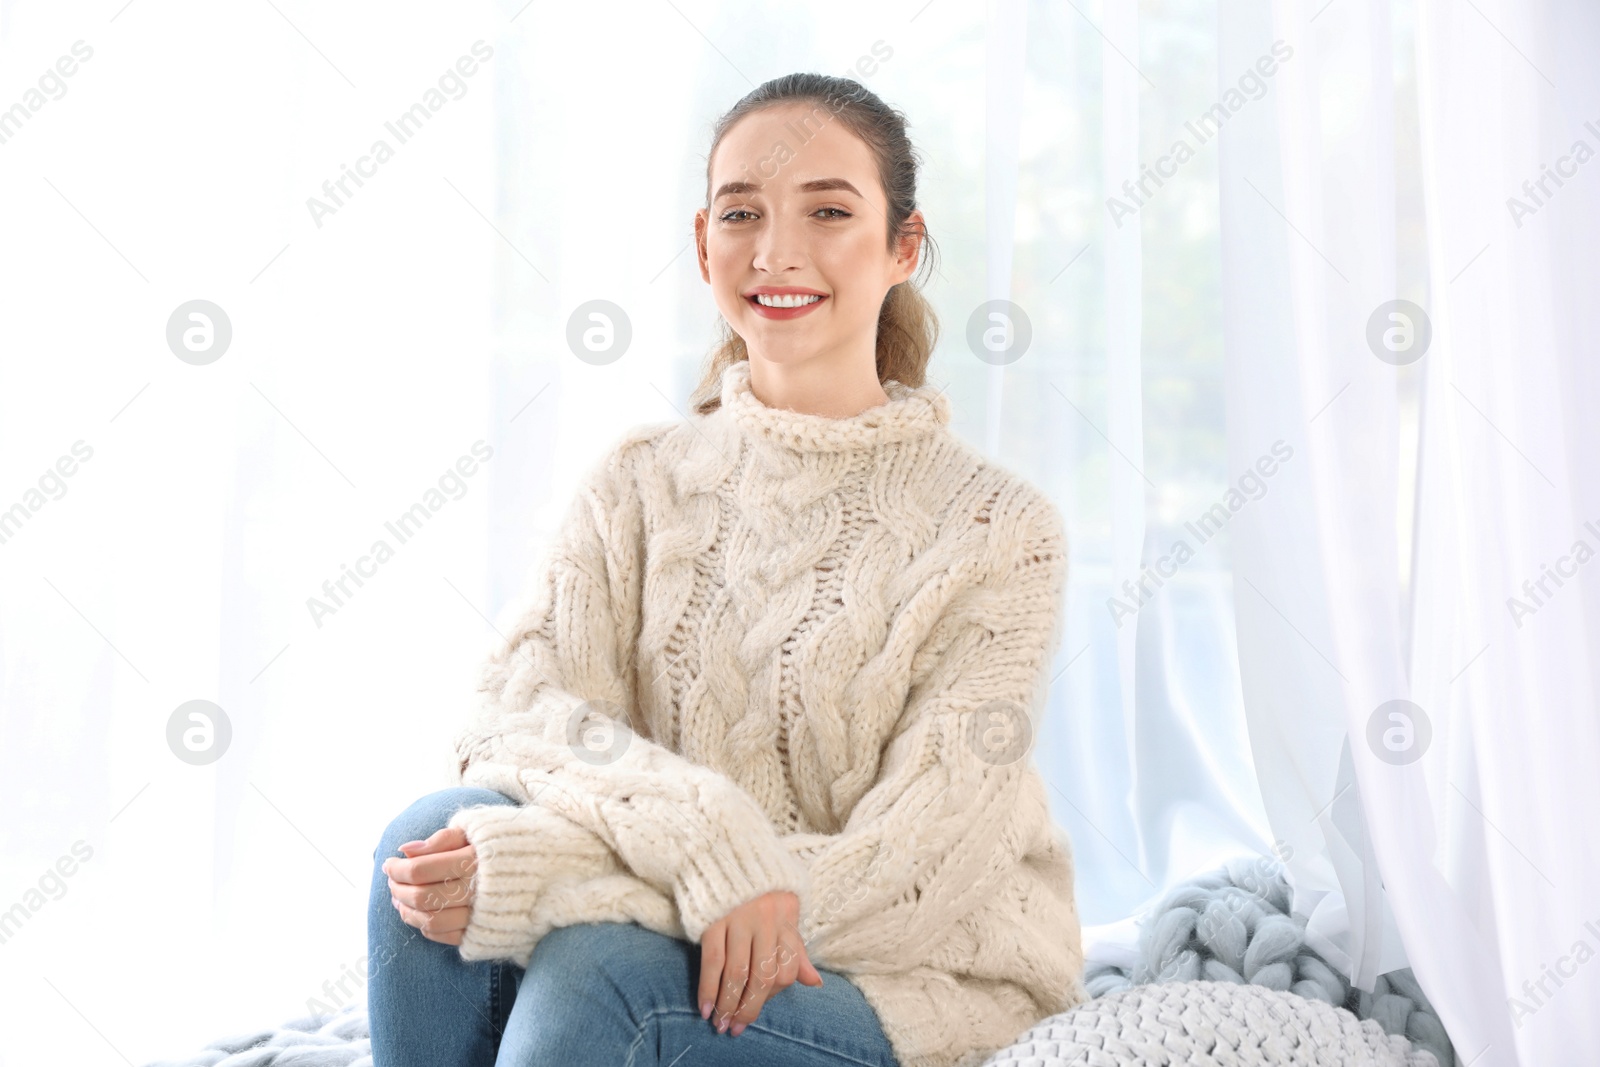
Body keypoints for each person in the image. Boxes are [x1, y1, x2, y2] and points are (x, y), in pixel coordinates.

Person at [367, 71, 1085, 1067]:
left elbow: (910, 879)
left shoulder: (999, 529)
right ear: (705, 243)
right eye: (742, 212)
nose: (777, 251)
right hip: (687, 929)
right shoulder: (636, 481)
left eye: (828, 211)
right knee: (434, 843)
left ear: (903, 247)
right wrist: (703, 833)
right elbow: (516, 712)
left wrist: (566, 871)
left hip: (915, 977)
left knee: (589, 964)